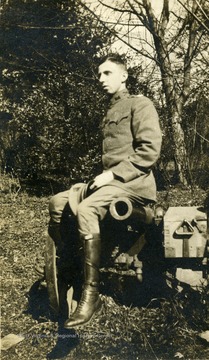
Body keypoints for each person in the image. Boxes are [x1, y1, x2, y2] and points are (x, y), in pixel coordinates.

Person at [48, 53, 162, 329]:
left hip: (134, 185)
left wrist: (111, 175)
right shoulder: (110, 111)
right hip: (112, 183)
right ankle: (69, 269)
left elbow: (149, 151)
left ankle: (91, 293)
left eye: (107, 73)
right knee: (57, 201)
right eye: (99, 74)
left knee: (85, 208)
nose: (100, 79)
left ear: (124, 76)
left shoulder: (140, 104)